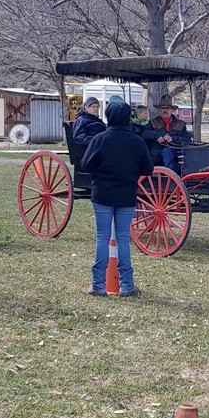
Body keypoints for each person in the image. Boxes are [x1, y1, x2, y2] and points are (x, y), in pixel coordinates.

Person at [80, 100, 153, 297]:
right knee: (122, 240)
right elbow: (148, 169)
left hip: (102, 194)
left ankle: (98, 285)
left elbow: (85, 165)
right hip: (126, 194)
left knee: (102, 238)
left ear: (109, 116)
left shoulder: (100, 139)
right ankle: (127, 285)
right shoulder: (137, 141)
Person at [142, 94, 192, 169]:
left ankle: (171, 176)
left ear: (172, 110)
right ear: (159, 110)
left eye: (167, 108)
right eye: (162, 108)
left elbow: (188, 140)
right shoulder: (153, 122)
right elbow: (144, 134)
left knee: (168, 152)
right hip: (156, 153)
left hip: (176, 152)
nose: (165, 110)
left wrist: (173, 139)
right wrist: (157, 136)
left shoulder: (180, 124)